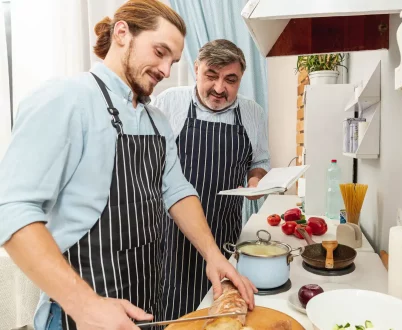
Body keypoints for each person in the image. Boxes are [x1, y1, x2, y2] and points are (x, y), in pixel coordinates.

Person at [0, 2, 255, 330]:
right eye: (160, 51)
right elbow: (12, 209)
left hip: (146, 306)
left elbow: (176, 191)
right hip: (82, 314)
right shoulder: (66, 99)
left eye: (172, 61)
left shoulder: (156, 120)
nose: (165, 69)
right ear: (122, 33)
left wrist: (213, 254)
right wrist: (85, 304)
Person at [152, 39, 270, 319]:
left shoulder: (253, 113)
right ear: (196, 69)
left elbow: (260, 162)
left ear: (241, 79)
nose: (219, 89)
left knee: (222, 308)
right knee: (172, 311)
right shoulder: (169, 102)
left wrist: (256, 182)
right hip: (172, 237)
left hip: (226, 231)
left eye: (230, 80)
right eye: (211, 76)